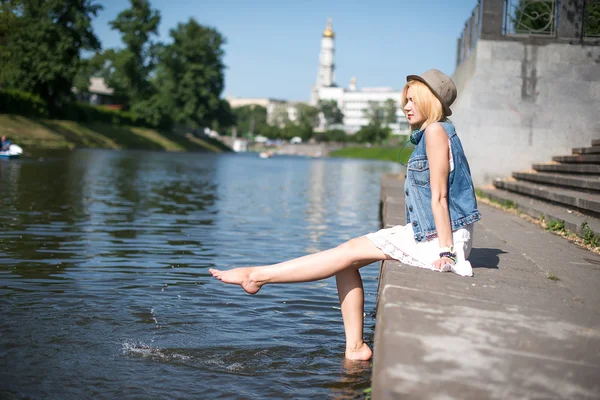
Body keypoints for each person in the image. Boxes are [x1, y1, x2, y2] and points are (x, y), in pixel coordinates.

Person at [209, 69, 481, 361]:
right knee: (346, 257)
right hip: (434, 232)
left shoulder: (436, 132)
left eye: (413, 100)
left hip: (440, 239)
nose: (406, 106)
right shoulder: (435, 132)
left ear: (430, 101)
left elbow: (440, 198)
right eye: (406, 100)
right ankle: (355, 348)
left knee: (345, 254)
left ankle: (258, 276)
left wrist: (447, 254)